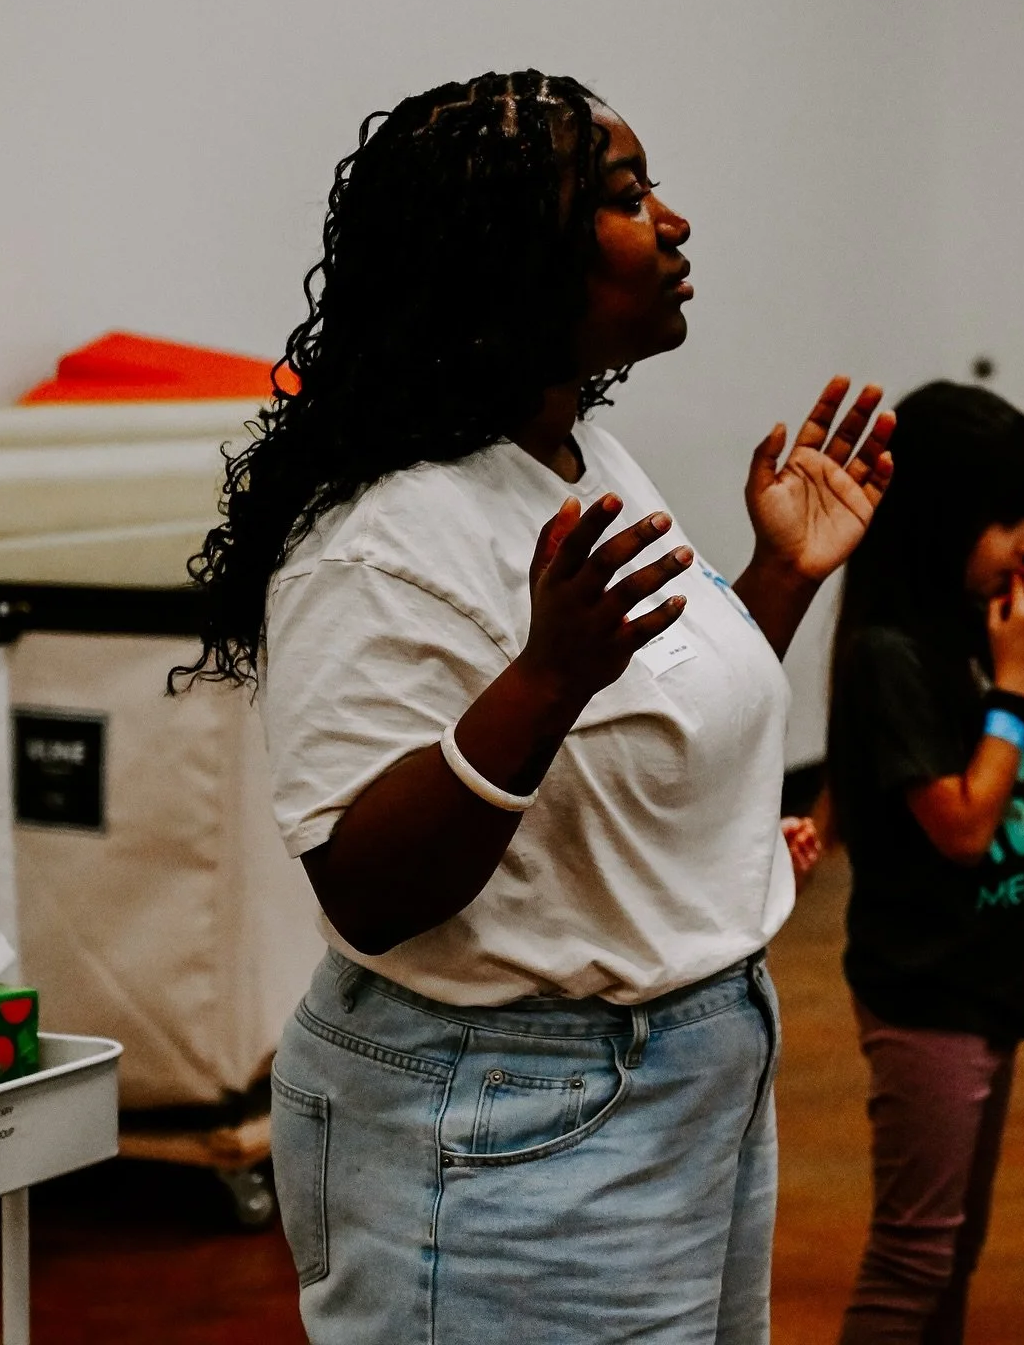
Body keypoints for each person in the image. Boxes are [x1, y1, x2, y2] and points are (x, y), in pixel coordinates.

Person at [173, 69, 894, 1344]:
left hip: (692, 1076)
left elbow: (650, 736)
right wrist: (542, 680)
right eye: (625, 197)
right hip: (512, 1120)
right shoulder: (378, 541)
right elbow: (366, 886)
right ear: (510, 261)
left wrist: (780, 573)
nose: (674, 223)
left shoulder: (572, 458)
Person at [822, 381, 1024, 1344]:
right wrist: (1012, 685)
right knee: (913, 1253)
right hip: (926, 985)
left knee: (956, 1244)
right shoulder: (893, 656)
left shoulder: (969, 637)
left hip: (988, 976)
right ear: (934, 523)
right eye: (1003, 519)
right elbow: (966, 828)